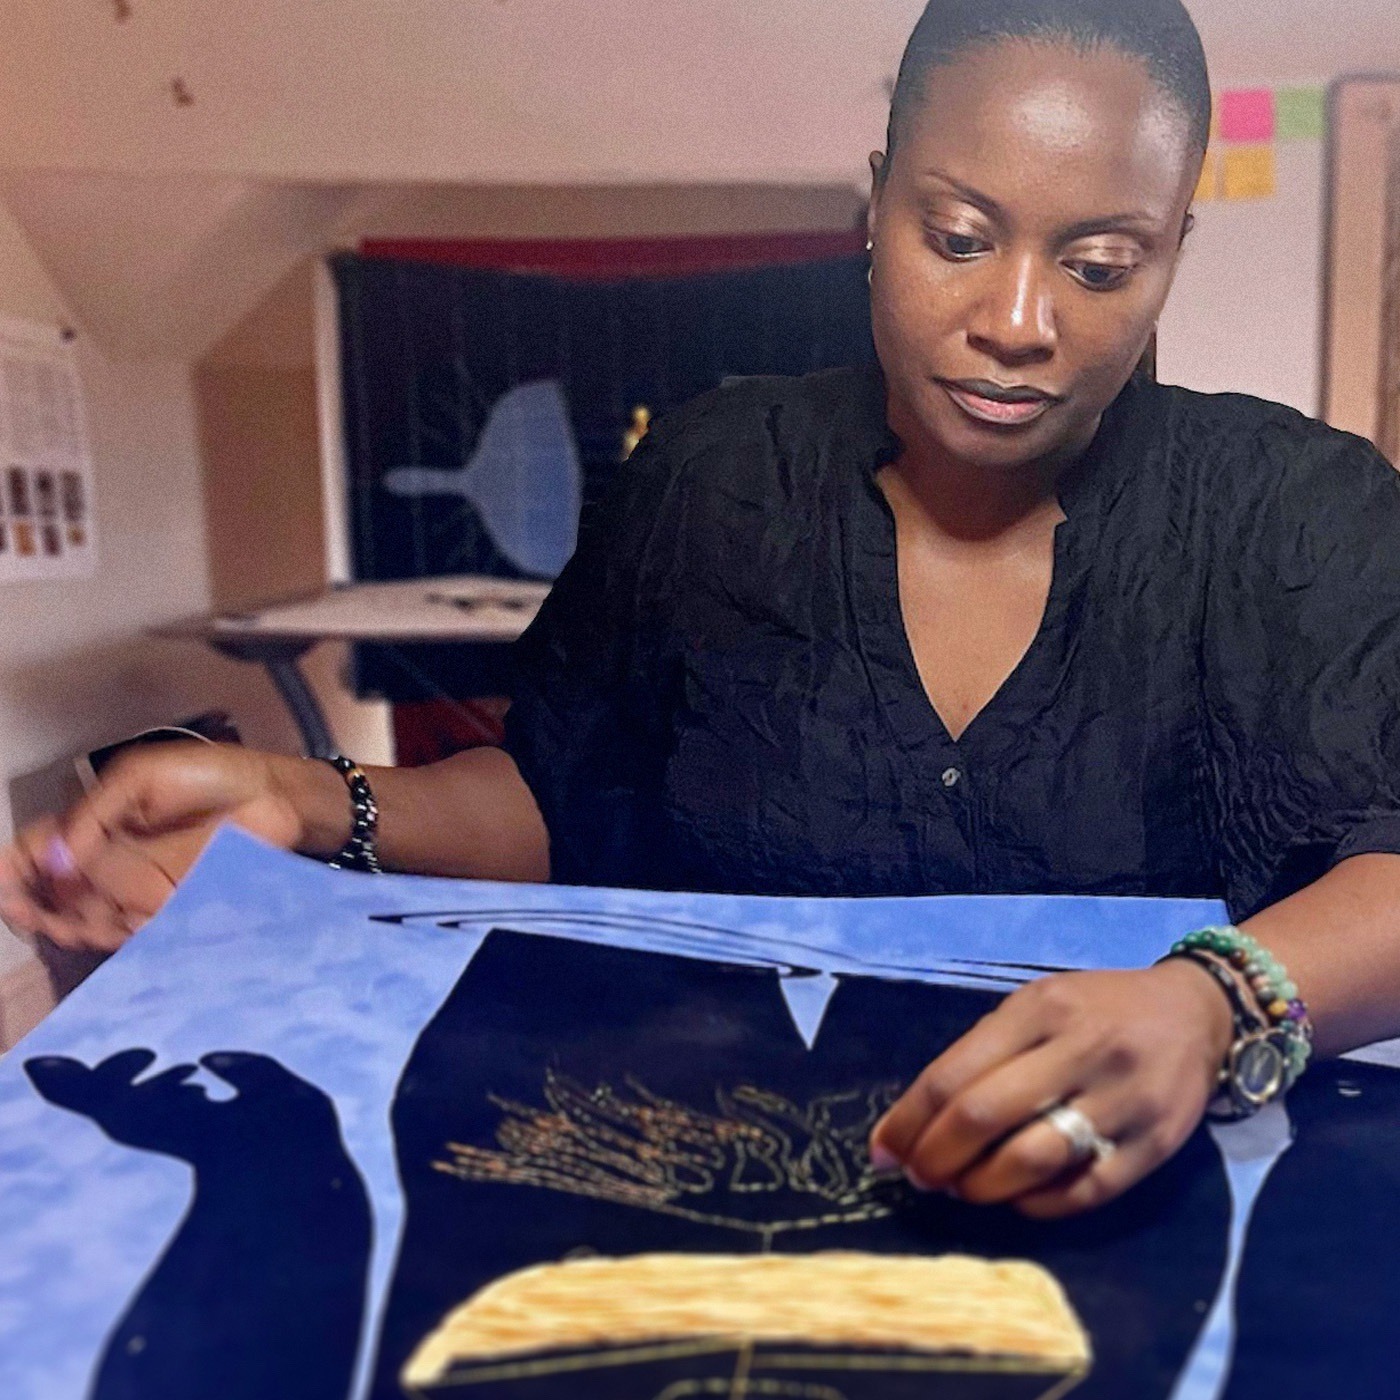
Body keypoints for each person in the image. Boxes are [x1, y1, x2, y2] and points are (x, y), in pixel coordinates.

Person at [7, 0, 1400, 1220]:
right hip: (693, 1187)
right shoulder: (713, 479)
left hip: (1175, 1227)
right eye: (960, 236)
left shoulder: (1295, 513)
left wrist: (1221, 1003)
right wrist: (301, 800)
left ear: (1174, 249)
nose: (1020, 318)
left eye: (1102, 263)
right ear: (877, 201)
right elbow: (562, 802)